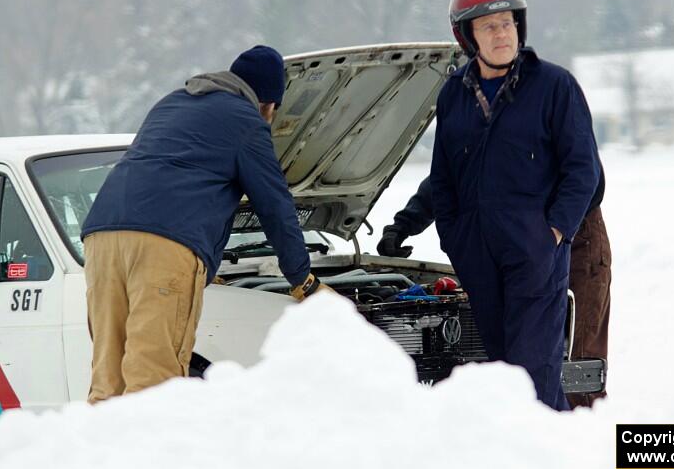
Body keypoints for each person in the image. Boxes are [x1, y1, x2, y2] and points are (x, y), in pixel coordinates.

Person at [80, 45, 330, 404]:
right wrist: (302, 280)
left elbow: (175, 178)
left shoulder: (171, 103)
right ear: (269, 104)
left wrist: (206, 266)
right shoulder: (247, 123)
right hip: (162, 245)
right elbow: (275, 206)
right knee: (153, 383)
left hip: (101, 238)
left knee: (109, 381)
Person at [429, 0, 600, 411]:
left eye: (507, 23)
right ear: (468, 36)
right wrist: (454, 236)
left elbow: (583, 170)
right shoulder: (453, 95)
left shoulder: (553, 86)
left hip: (536, 253)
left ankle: (551, 450)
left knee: (533, 372)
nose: (501, 33)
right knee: (502, 370)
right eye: (489, 27)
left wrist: (555, 232)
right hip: (478, 257)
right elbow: (443, 176)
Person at [377, 172, 611, 408]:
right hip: (517, 248)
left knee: (575, 364)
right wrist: (404, 224)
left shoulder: (555, 136)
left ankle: (583, 438)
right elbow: (449, 173)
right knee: (523, 365)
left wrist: (553, 229)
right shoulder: (478, 136)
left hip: (573, 239)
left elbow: (587, 176)